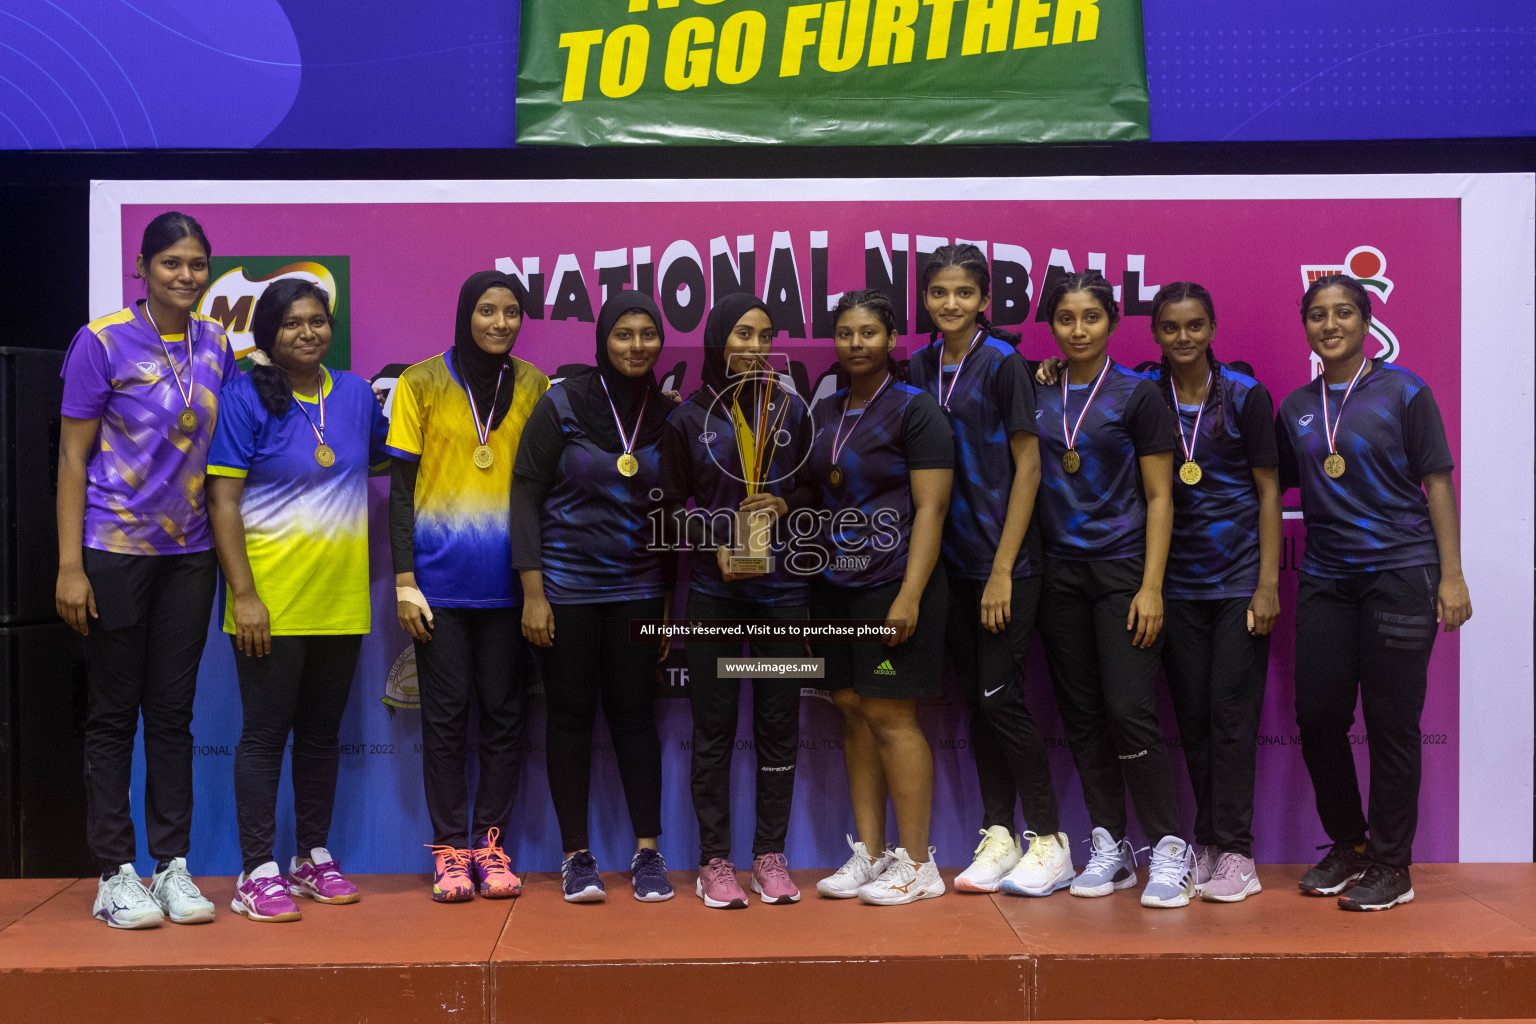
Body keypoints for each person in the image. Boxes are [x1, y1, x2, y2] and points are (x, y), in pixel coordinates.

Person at [57, 212, 235, 929]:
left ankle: (173, 868)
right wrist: (70, 566)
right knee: (111, 715)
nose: (185, 276)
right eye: (172, 264)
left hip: (189, 557)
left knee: (172, 715)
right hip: (113, 552)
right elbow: (71, 458)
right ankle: (113, 873)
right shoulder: (101, 342)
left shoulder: (217, 341)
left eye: (196, 264)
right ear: (144, 267)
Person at [1276, 273, 1471, 912]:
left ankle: (1393, 865)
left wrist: (1452, 574)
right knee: (1319, 717)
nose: (1329, 325)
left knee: (1391, 723)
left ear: (1366, 323)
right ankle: (1349, 845)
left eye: (1343, 314)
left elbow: (1436, 483)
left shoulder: (1405, 392)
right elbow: (1268, 484)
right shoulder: (1296, 407)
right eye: (1317, 315)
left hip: (1401, 575)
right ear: (1305, 325)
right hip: (1328, 580)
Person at [206, 279, 389, 922]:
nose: (306, 333)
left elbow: (387, 462)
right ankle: (256, 869)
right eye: (291, 323)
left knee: (319, 736)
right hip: (270, 604)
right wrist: (245, 595)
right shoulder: (243, 397)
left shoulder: (359, 394)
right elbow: (222, 500)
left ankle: (312, 856)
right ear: (269, 333)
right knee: (264, 736)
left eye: (317, 321)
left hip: (340, 601)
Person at [906, 245, 1068, 898]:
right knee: (979, 702)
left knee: (1003, 697)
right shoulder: (918, 364)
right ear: (926, 299)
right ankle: (999, 833)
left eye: (964, 293)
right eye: (940, 292)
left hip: (1007, 562)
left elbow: (1029, 467)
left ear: (984, 301)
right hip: (948, 564)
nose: (951, 304)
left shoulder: (1003, 363)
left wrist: (1004, 568)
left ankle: (1051, 841)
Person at [1031, 272, 1194, 909]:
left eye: (1091, 318)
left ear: (1112, 322)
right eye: (1066, 319)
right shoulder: (1037, 388)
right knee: (1083, 715)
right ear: (1053, 325)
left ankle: (1170, 847)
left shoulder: (1138, 395)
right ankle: (1110, 845)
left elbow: (1161, 496)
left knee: (1130, 711)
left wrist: (1152, 586)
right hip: (1058, 574)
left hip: (1124, 569)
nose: (1078, 330)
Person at [386, 270, 549, 902]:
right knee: (447, 724)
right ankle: (450, 852)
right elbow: (400, 494)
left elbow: (539, 489)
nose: (500, 323)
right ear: (466, 314)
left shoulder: (534, 385)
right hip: (438, 589)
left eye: (511, 312)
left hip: (510, 585)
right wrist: (405, 581)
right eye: (487, 311)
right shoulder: (420, 382)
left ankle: (490, 847)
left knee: (507, 721)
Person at [512, 291, 675, 904]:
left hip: (637, 590)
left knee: (636, 719)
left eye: (647, 334)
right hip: (565, 589)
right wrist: (533, 591)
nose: (637, 346)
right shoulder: (563, 403)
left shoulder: (666, 414)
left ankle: (648, 855)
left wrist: (663, 597)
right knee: (571, 718)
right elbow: (524, 495)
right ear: (603, 340)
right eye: (623, 335)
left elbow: (669, 512)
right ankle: (576, 857)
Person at [658, 294, 810, 909]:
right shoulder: (687, 420)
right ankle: (714, 861)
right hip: (716, 593)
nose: (753, 347)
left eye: (764, 336)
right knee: (714, 728)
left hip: (782, 594)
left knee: (778, 725)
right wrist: (713, 539)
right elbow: (666, 508)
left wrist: (786, 505)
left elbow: (809, 490)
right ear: (718, 341)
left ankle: (769, 856)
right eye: (741, 335)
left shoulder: (792, 410)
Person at [802, 290, 954, 907]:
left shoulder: (917, 410)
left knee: (892, 716)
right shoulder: (829, 410)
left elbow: (932, 508)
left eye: (868, 332)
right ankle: (869, 853)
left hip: (893, 583)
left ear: (891, 339)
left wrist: (910, 594)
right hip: (834, 585)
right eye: (845, 332)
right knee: (851, 707)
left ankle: (919, 864)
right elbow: (821, 489)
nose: (856, 343)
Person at [1144, 282, 1280, 903]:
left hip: (1237, 586)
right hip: (1174, 586)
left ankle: (1239, 853)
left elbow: (1270, 492)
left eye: (1194, 325)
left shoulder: (1247, 396)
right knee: (1194, 721)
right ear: (1156, 333)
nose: (1183, 338)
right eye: (1170, 327)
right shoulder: (1146, 391)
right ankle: (1206, 843)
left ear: (1212, 327)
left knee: (1231, 718)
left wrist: (1267, 585)